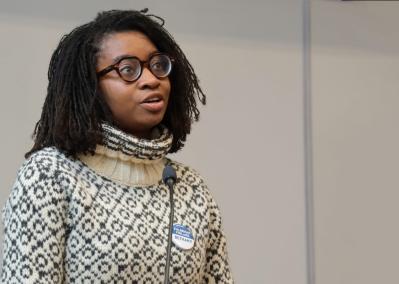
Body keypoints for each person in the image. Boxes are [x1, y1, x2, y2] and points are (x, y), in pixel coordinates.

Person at [1, 9, 233, 283]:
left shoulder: (190, 188)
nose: (151, 80)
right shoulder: (50, 175)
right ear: (91, 87)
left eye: (158, 65)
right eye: (128, 70)